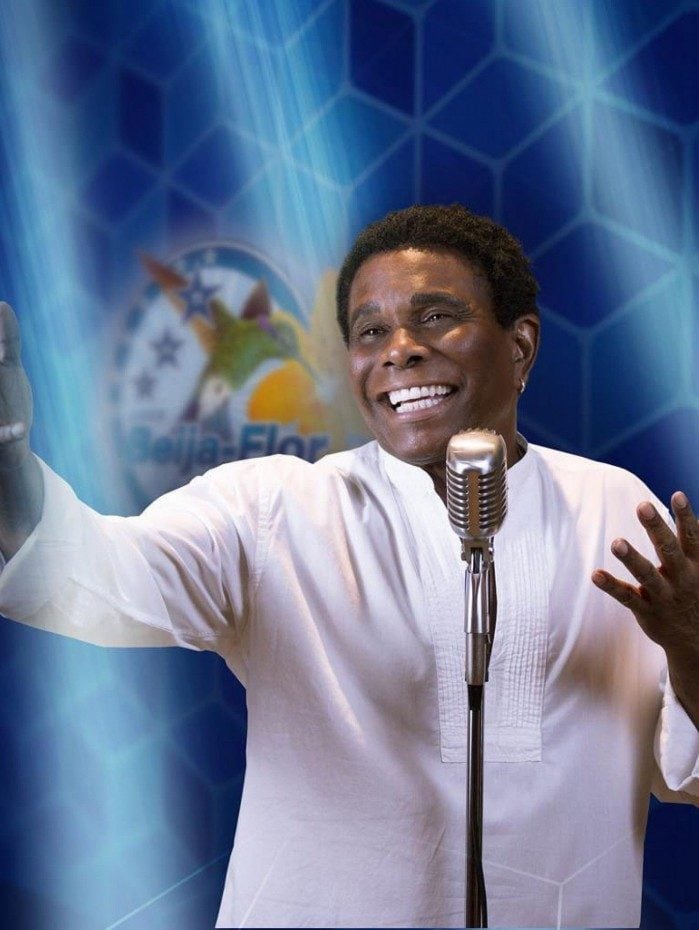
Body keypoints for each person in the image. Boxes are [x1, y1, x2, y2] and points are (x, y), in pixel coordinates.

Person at [0, 204, 697, 929]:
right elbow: (101, 576)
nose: (399, 351)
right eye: (370, 332)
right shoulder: (273, 509)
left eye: (434, 318)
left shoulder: (616, 512)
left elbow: (688, 772)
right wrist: (7, 470)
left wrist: (692, 648)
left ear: (520, 346)